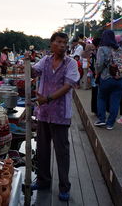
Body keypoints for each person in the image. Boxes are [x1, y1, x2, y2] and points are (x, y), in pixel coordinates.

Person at [31, 32, 80, 202]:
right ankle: (43, 181)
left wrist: (48, 98)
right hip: (44, 113)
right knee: (42, 149)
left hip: (60, 114)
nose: (62, 45)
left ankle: (64, 187)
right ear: (51, 43)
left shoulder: (71, 63)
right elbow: (34, 71)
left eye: (64, 43)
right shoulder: (45, 61)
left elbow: (68, 86)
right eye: (59, 42)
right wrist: (25, 63)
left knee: (62, 152)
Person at [94, 30, 122, 130]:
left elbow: (99, 64)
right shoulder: (120, 48)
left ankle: (102, 119)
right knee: (115, 101)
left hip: (106, 78)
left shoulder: (102, 49)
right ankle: (110, 124)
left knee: (102, 98)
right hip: (120, 78)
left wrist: (97, 72)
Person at [90, 37, 101, 115]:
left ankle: (95, 109)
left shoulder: (94, 52)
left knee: (95, 92)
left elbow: (92, 64)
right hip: (98, 75)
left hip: (95, 75)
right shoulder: (99, 51)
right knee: (97, 93)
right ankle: (97, 110)